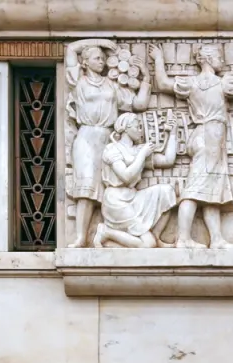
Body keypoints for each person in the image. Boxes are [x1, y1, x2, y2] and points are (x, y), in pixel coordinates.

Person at [150, 44, 233, 249]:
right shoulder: (222, 84)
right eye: (218, 56)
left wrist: (159, 59)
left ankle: (216, 239)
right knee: (194, 189)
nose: (222, 61)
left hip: (205, 138)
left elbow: (162, 82)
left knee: (212, 190)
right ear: (207, 59)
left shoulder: (191, 83)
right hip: (210, 138)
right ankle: (184, 239)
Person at [65, 39, 151, 247]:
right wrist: (101, 42)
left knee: (109, 187)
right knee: (85, 188)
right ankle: (80, 237)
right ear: (84, 62)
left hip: (108, 137)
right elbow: (70, 49)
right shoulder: (79, 81)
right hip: (86, 137)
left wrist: (146, 78)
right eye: (97, 58)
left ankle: (109, 232)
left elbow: (138, 104)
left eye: (104, 59)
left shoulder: (112, 86)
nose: (102, 61)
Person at [94, 113, 179, 249]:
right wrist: (142, 154)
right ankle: (106, 232)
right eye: (137, 126)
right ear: (125, 128)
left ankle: (156, 236)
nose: (141, 130)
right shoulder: (112, 149)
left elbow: (167, 160)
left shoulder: (138, 150)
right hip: (116, 201)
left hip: (133, 196)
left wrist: (173, 133)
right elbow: (126, 177)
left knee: (167, 192)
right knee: (148, 245)